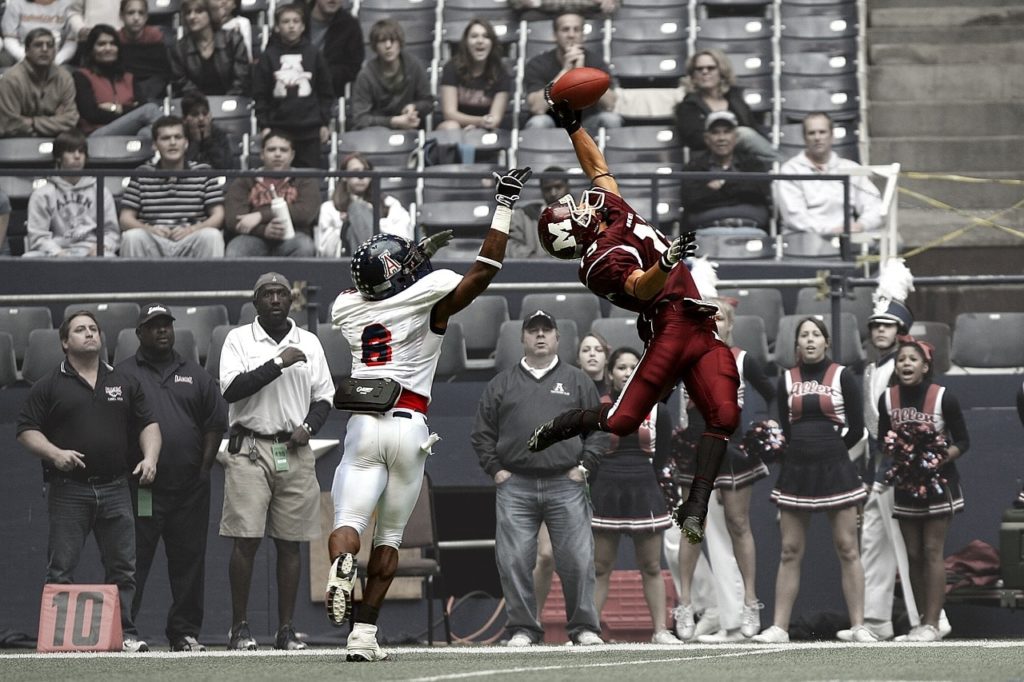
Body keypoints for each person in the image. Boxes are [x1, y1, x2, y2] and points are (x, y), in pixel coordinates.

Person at [325, 166, 533, 661]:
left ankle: (341, 565)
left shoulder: (349, 309)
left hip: (363, 425)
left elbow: (384, 286)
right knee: (391, 537)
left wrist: (406, 263)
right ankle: (363, 636)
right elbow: (485, 268)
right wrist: (503, 203)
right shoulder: (431, 298)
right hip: (410, 429)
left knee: (349, 520)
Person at [528, 92, 740, 547]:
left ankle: (696, 504)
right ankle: (569, 423)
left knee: (724, 413)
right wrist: (664, 263)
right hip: (670, 324)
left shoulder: (611, 210)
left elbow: (598, 168)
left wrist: (572, 127)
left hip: (698, 322)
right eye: (576, 212)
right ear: (574, 233)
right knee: (623, 423)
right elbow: (641, 286)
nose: (583, 203)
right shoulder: (597, 261)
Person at [16, 309, 161, 653]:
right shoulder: (49, 384)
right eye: (80, 330)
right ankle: (56, 639)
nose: (89, 334)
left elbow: (148, 425)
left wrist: (151, 458)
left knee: (123, 568)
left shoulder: (123, 381)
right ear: (65, 342)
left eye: (94, 329)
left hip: (115, 488)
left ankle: (125, 633)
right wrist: (54, 454)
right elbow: (26, 430)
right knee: (62, 567)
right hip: (69, 490)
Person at [472, 309, 608, 647]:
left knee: (577, 558)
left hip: (567, 481)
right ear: (523, 338)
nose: (540, 336)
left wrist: (586, 466)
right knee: (515, 559)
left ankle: (583, 627)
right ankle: (523, 628)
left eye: (547, 330)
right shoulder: (501, 383)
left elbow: (600, 429)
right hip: (515, 483)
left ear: (558, 338)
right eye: (533, 331)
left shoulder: (578, 380)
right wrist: (495, 470)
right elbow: (482, 433)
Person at [219, 272, 335, 651]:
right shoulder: (238, 339)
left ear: (292, 301)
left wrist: (309, 427)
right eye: (266, 294)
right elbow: (232, 389)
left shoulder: (310, 342)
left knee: (290, 543)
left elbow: (324, 398)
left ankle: (285, 630)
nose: (274, 299)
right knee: (246, 540)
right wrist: (278, 362)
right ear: (255, 302)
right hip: (250, 447)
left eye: (281, 294)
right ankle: (239, 627)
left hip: (293, 449)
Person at [752, 317, 873, 644]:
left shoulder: (842, 376)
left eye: (815, 335)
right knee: (790, 550)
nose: (809, 340)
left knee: (848, 547)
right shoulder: (786, 380)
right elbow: (785, 431)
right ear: (796, 345)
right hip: (797, 471)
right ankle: (779, 627)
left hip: (836, 468)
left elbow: (858, 428)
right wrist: (803, 452)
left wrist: (832, 450)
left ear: (826, 342)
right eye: (803, 335)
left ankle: (859, 625)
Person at [117, 303, 228, 652]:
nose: (162, 331)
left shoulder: (194, 373)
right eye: (153, 326)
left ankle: (184, 633)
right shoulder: (121, 374)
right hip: (142, 488)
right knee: (133, 561)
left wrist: (204, 469)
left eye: (166, 325)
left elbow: (214, 423)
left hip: (190, 490)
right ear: (140, 333)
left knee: (189, 563)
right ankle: (124, 631)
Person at [672, 297, 775, 642]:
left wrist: (763, 427)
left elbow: (775, 394)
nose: (713, 323)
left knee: (738, 523)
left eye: (720, 319)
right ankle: (685, 604)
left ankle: (750, 603)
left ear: (731, 325)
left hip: (732, 449)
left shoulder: (743, 359)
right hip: (695, 447)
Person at [877, 338, 969, 642]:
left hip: (938, 483)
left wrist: (937, 457)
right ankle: (919, 623)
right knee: (913, 553)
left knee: (932, 551)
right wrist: (901, 453)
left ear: (925, 366)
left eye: (912, 359)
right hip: (905, 483)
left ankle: (932, 623)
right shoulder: (887, 399)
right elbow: (882, 440)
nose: (905, 364)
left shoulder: (944, 397)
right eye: (901, 359)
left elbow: (963, 441)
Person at [592, 347, 679, 644]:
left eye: (634, 367)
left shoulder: (659, 410)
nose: (628, 373)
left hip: (644, 488)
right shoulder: (598, 408)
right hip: (606, 489)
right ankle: (589, 632)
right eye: (621, 368)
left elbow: (662, 457)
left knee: (652, 566)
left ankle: (660, 631)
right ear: (610, 373)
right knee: (601, 566)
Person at [532, 330, 610, 616]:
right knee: (546, 555)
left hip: (603, 486)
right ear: (577, 358)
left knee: (587, 559)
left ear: (606, 357)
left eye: (598, 349)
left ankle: (584, 626)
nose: (592, 354)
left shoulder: (617, 395)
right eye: (586, 349)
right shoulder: (564, 390)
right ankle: (531, 624)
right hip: (561, 481)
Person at [119, 115, 226, 258]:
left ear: (186, 143)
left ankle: (210, 282)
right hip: (154, 239)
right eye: (165, 138)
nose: (173, 142)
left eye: (178, 137)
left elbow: (218, 215)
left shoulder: (203, 171)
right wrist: (148, 229)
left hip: (191, 238)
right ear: (155, 145)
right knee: (132, 237)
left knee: (211, 236)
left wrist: (193, 229)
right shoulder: (142, 173)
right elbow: (125, 218)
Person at [252, 3, 333, 169]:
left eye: (296, 21)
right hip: (278, 130)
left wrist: (324, 122)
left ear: (303, 26)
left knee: (309, 180)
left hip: (309, 131)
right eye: (286, 21)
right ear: (277, 26)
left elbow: (326, 92)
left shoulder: (314, 54)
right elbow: (260, 94)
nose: (291, 26)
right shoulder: (268, 56)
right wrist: (264, 125)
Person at [778, 112, 882, 235]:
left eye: (822, 132)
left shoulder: (850, 168)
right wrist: (830, 231)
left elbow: (875, 205)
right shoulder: (790, 170)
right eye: (812, 133)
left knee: (894, 240)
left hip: (848, 237)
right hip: (806, 240)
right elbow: (795, 217)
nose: (817, 138)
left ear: (832, 136)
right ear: (805, 138)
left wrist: (862, 225)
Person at [23, 128, 121, 258]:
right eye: (70, 151)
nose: (77, 156)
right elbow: (38, 236)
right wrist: (58, 253)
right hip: (54, 251)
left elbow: (111, 232)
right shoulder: (42, 194)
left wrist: (102, 247)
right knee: (29, 258)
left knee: (109, 258)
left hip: (90, 250)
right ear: (58, 157)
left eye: (81, 151)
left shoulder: (100, 190)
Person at [223, 130, 319, 257]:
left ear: (292, 155)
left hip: (293, 236)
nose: (277, 154)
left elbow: (305, 213)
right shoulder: (245, 179)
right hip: (253, 237)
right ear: (262, 154)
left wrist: (260, 216)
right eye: (272, 150)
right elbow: (233, 219)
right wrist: (263, 231)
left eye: (283, 150)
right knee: (235, 250)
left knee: (304, 246)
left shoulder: (304, 179)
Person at [673, 49, 776, 166]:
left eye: (710, 68)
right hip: (708, 164)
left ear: (721, 71)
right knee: (744, 133)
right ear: (693, 75)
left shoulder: (735, 100)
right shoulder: (688, 106)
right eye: (699, 69)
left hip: (742, 162)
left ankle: (783, 168)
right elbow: (696, 141)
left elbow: (753, 128)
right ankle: (783, 165)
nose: (705, 72)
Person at [522, 11, 620, 133]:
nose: (571, 35)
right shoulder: (538, 64)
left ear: (583, 35)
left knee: (611, 119)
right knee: (538, 122)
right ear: (554, 35)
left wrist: (583, 74)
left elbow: (610, 104)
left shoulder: (596, 62)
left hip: (587, 123)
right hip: (552, 123)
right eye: (565, 30)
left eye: (577, 30)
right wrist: (565, 72)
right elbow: (537, 108)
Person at [679, 111, 772, 234]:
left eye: (727, 132)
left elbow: (759, 192)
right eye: (715, 133)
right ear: (707, 139)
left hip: (752, 230)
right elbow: (692, 199)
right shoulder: (693, 167)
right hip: (705, 232)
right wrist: (738, 188)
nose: (721, 138)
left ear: (736, 137)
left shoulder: (753, 164)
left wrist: (718, 187)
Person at [73, 25, 162, 142]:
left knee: (146, 133)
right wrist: (130, 110)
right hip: (96, 136)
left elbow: (141, 107)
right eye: (102, 44)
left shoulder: (129, 77)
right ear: (91, 49)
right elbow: (91, 114)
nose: (108, 48)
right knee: (151, 110)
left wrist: (116, 108)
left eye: (112, 44)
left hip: (130, 133)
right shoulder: (81, 76)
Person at [315, 151, 413, 256]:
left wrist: (368, 218)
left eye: (365, 172)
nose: (361, 177)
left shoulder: (390, 203)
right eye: (355, 171)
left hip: (387, 257)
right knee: (356, 210)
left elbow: (405, 238)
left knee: (358, 211)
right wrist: (346, 226)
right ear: (344, 176)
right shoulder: (329, 208)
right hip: (345, 261)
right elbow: (324, 250)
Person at [350, 18, 434, 131]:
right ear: (375, 46)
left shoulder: (414, 65)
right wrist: (393, 122)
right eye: (382, 41)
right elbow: (360, 119)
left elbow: (428, 102)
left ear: (400, 43)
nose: (388, 46)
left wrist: (414, 107)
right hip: (376, 134)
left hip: (409, 130)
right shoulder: (366, 75)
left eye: (393, 40)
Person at [0, 28, 79, 138]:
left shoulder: (64, 77)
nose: (45, 49)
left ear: (55, 51)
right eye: (38, 45)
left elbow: (71, 120)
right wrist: (54, 121)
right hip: (18, 142)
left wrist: (31, 122)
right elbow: (10, 125)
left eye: (50, 45)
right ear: (27, 50)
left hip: (57, 141)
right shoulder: (11, 79)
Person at [437, 19, 512, 132]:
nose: (480, 41)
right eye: (474, 36)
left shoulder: (501, 72)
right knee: (450, 126)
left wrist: (481, 125)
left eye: (486, 36)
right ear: (466, 42)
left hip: (485, 130)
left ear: (492, 43)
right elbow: (449, 113)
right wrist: (478, 121)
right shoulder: (451, 68)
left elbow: (495, 119)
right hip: (458, 127)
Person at [169, 0, 250, 97]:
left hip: (231, 103)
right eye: (188, 12)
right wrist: (203, 104)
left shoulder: (233, 40)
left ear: (211, 13)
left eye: (199, 11)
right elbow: (181, 84)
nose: (192, 17)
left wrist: (225, 102)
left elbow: (242, 79)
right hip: (195, 107)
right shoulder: (179, 49)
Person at [508, 166, 570, 258]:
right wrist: (538, 261)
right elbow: (511, 246)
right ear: (541, 190)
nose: (553, 193)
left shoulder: (583, 216)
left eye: (558, 187)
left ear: (567, 186)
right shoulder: (522, 216)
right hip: (533, 269)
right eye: (547, 189)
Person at [306, 0, 364, 98]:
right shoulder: (295, 19)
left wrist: (322, 75)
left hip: (330, 94)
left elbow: (353, 67)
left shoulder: (350, 26)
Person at [118, 0, 171, 103]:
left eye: (141, 13)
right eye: (130, 13)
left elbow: (163, 75)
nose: (136, 18)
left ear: (146, 16)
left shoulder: (156, 39)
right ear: (121, 16)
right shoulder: (115, 41)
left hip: (153, 93)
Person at [1, 0, 77, 66]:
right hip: (22, 56)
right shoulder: (16, 3)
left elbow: (71, 42)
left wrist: (56, 61)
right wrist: (26, 58)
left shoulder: (68, 5)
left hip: (57, 58)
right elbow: (10, 38)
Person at [182, 91, 239, 169]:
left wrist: (208, 140)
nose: (201, 119)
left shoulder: (219, 135)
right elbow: (182, 168)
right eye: (195, 114)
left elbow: (227, 167)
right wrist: (195, 142)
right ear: (185, 119)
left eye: (205, 114)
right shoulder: (180, 136)